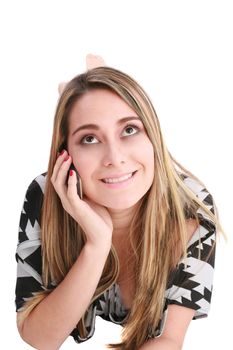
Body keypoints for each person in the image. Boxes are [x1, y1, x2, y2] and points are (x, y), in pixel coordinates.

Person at [15, 55, 223, 350]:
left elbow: (169, 339)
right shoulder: (46, 195)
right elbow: (39, 338)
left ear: (153, 137)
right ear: (66, 156)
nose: (115, 158)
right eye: (89, 138)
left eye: (129, 130)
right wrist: (97, 243)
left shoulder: (191, 207)